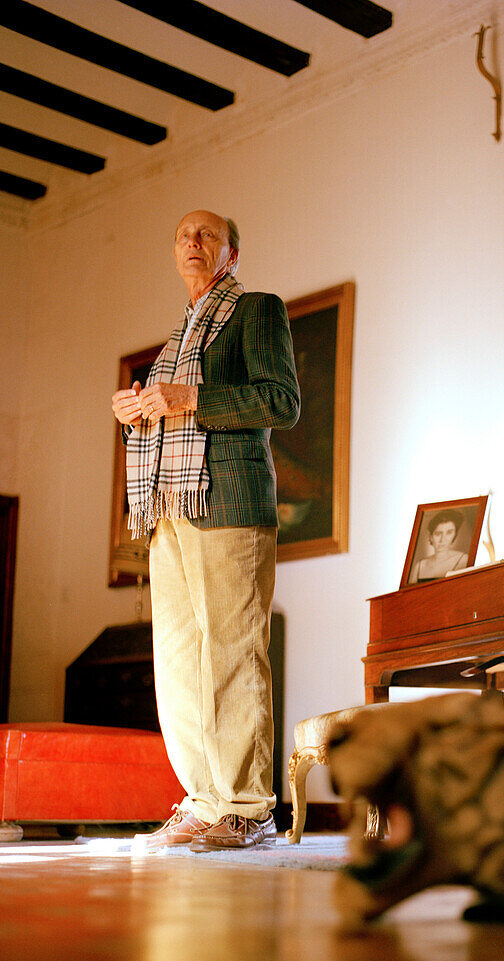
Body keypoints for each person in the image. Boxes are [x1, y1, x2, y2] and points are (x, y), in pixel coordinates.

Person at [111, 210, 300, 851]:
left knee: (233, 652)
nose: (193, 243)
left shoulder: (256, 311)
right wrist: (139, 412)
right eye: (183, 235)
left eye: (207, 236)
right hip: (170, 510)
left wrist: (191, 399)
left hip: (230, 500)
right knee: (180, 663)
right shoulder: (173, 343)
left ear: (232, 254)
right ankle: (203, 801)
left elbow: (282, 402)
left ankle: (247, 807)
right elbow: (170, 410)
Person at [408, 509, 468, 582]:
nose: (443, 539)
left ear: (455, 534)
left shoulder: (463, 559)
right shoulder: (420, 566)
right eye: (438, 534)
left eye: (449, 533)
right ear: (430, 536)